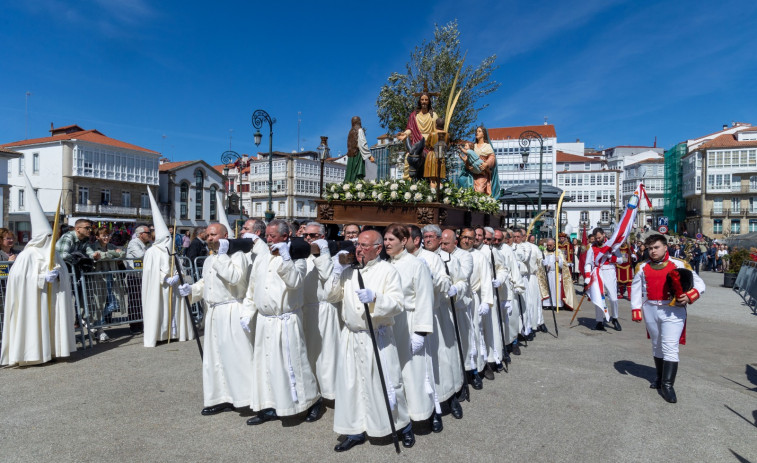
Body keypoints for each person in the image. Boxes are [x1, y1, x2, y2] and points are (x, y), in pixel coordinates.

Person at [324, 229, 412, 452]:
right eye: (358, 244)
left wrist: (375, 298)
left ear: (378, 249)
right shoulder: (349, 271)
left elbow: (397, 303)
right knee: (352, 385)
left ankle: (402, 425)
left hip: (377, 337)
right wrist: (335, 272)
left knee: (387, 384)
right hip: (352, 337)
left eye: (365, 245)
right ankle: (354, 429)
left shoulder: (387, 271)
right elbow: (331, 296)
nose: (359, 249)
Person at [242, 219, 321, 426]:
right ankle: (270, 405)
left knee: (294, 363)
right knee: (266, 364)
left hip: (286, 319)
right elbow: (253, 286)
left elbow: (295, 282)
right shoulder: (262, 256)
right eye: (266, 235)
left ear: (285, 236)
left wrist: (286, 258)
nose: (267, 239)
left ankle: (310, 401)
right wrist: (247, 311)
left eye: (272, 236)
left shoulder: (298, 257)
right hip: (265, 320)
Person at [178, 223, 256, 416]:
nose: (209, 239)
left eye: (213, 235)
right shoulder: (209, 260)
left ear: (225, 235)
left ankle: (244, 397)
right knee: (215, 358)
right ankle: (220, 397)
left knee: (236, 356)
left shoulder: (237, 255)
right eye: (207, 236)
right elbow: (207, 283)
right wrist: (192, 290)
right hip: (213, 312)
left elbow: (235, 278)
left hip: (231, 309)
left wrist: (222, 255)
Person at [1, 175, 76, 366]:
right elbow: (18, 279)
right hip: (34, 298)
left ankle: (52, 349)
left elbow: (64, 272)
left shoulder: (54, 254)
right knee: (35, 322)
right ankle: (33, 353)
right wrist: (42, 278)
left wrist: (58, 275)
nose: (49, 240)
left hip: (51, 297)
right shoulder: (28, 254)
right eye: (46, 237)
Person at [631, 234, 705, 403]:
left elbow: (700, 284)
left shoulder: (679, 264)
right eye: (650, 248)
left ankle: (668, 385)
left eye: (656, 247)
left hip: (673, 310)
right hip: (650, 308)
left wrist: (689, 296)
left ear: (665, 247)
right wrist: (636, 309)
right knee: (657, 344)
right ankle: (659, 377)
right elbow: (636, 288)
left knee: (670, 346)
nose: (653, 251)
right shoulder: (642, 266)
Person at [383, 224, 436, 434]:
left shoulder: (416, 265)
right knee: (392, 372)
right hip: (390, 324)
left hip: (411, 322)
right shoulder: (384, 264)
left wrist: (421, 332)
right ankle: (396, 417)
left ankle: (418, 417)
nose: (387, 244)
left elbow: (425, 298)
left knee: (412, 373)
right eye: (385, 240)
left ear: (404, 241)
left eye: (391, 240)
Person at [419, 224, 464, 419]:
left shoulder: (449, 259)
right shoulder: (417, 258)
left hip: (441, 312)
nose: (428, 239)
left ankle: (451, 396)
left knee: (445, 358)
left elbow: (461, 281)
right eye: (425, 236)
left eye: (431, 237)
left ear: (439, 239)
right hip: (421, 314)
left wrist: (455, 289)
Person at [142, 189, 195, 347]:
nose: (168, 240)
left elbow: (180, 265)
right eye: (165, 237)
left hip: (174, 287)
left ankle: (175, 332)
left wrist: (178, 275)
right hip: (160, 288)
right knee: (160, 309)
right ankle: (160, 334)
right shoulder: (152, 252)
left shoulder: (171, 251)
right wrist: (165, 278)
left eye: (169, 237)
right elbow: (151, 272)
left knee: (174, 310)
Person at [300, 221, 340, 402]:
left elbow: (328, 277)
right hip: (305, 309)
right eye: (306, 235)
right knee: (307, 354)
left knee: (326, 354)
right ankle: (312, 391)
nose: (308, 238)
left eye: (313, 235)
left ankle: (329, 391)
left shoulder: (331, 256)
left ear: (322, 237)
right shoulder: (301, 256)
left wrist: (322, 255)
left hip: (324, 309)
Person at [440, 228, 482, 390]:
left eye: (446, 243)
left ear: (454, 243)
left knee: (466, 341)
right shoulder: (436, 255)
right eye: (441, 243)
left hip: (459, 305)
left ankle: (471, 372)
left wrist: (450, 284)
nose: (443, 247)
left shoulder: (465, 256)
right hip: (443, 306)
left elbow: (463, 275)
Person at [85, 226, 126, 342]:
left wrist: (110, 253)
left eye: (108, 235)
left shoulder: (111, 246)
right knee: (100, 303)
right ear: (98, 237)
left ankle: (94, 323)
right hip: (98, 278)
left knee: (115, 303)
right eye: (104, 235)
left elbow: (122, 254)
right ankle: (99, 328)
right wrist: (112, 254)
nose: (106, 237)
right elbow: (98, 256)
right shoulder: (93, 246)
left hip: (112, 277)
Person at [584, 227, 624, 332]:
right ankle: (599, 321)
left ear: (604, 235)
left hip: (609, 270)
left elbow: (620, 260)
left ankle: (615, 318)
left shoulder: (612, 245)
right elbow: (588, 263)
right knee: (599, 297)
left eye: (599, 237)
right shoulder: (592, 247)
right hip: (597, 272)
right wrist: (587, 277)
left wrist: (610, 256)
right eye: (596, 238)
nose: (598, 240)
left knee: (613, 297)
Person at [397, 92, 438, 181]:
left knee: (433, 158)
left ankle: (432, 181)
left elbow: (436, 132)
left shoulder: (433, 116)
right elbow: (410, 129)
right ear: (419, 101)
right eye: (422, 99)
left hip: (428, 143)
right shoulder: (414, 115)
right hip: (416, 143)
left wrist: (432, 141)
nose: (424, 101)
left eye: (426, 100)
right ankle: (407, 182)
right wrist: (405, 134)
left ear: (429, 101)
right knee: (409, 156)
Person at [457, 126, 500, 199]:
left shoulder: (487, 146)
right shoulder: (474, 146)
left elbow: (492, 158)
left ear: (483, 134)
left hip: (482, 172)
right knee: (463, 183)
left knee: (479, 190)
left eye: (479, 131)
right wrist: (467, 166)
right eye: (476, 131)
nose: (477, 133)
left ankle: (480, 205)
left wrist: (486, 163)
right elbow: (468, 157)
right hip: (472, 172)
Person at [125, 225, 151, 333]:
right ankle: (134, 325)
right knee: (135, 301)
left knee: (141, 301)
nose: (149, 234)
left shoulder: (144, 244)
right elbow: (141, 255)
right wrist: (151, 252)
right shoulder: (134, 243)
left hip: (142, 276)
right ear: (141, 234)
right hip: (134, 276)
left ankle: (140, 323)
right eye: (147, 232)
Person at [541, 238, 574, 311]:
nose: (549, 247)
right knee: (549, 288)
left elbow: (564, 264)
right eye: (548, 245)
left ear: (554, 245)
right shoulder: (545, 252)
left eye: (550, 245)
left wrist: (559, 260)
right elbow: (542, 262)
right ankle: (548, 304)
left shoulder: (558, 252)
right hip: (548, 273)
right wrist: (545, 264)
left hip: (557, 273)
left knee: (557, 289)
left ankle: (558, 304)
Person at [344, 116, 375, 183]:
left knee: (351, 174)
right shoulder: (360, 130)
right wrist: (369, 156)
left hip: (351, 157)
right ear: (359, 122)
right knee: (357, 175)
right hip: (357, 155)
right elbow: (362, 144)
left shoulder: (350, 132)